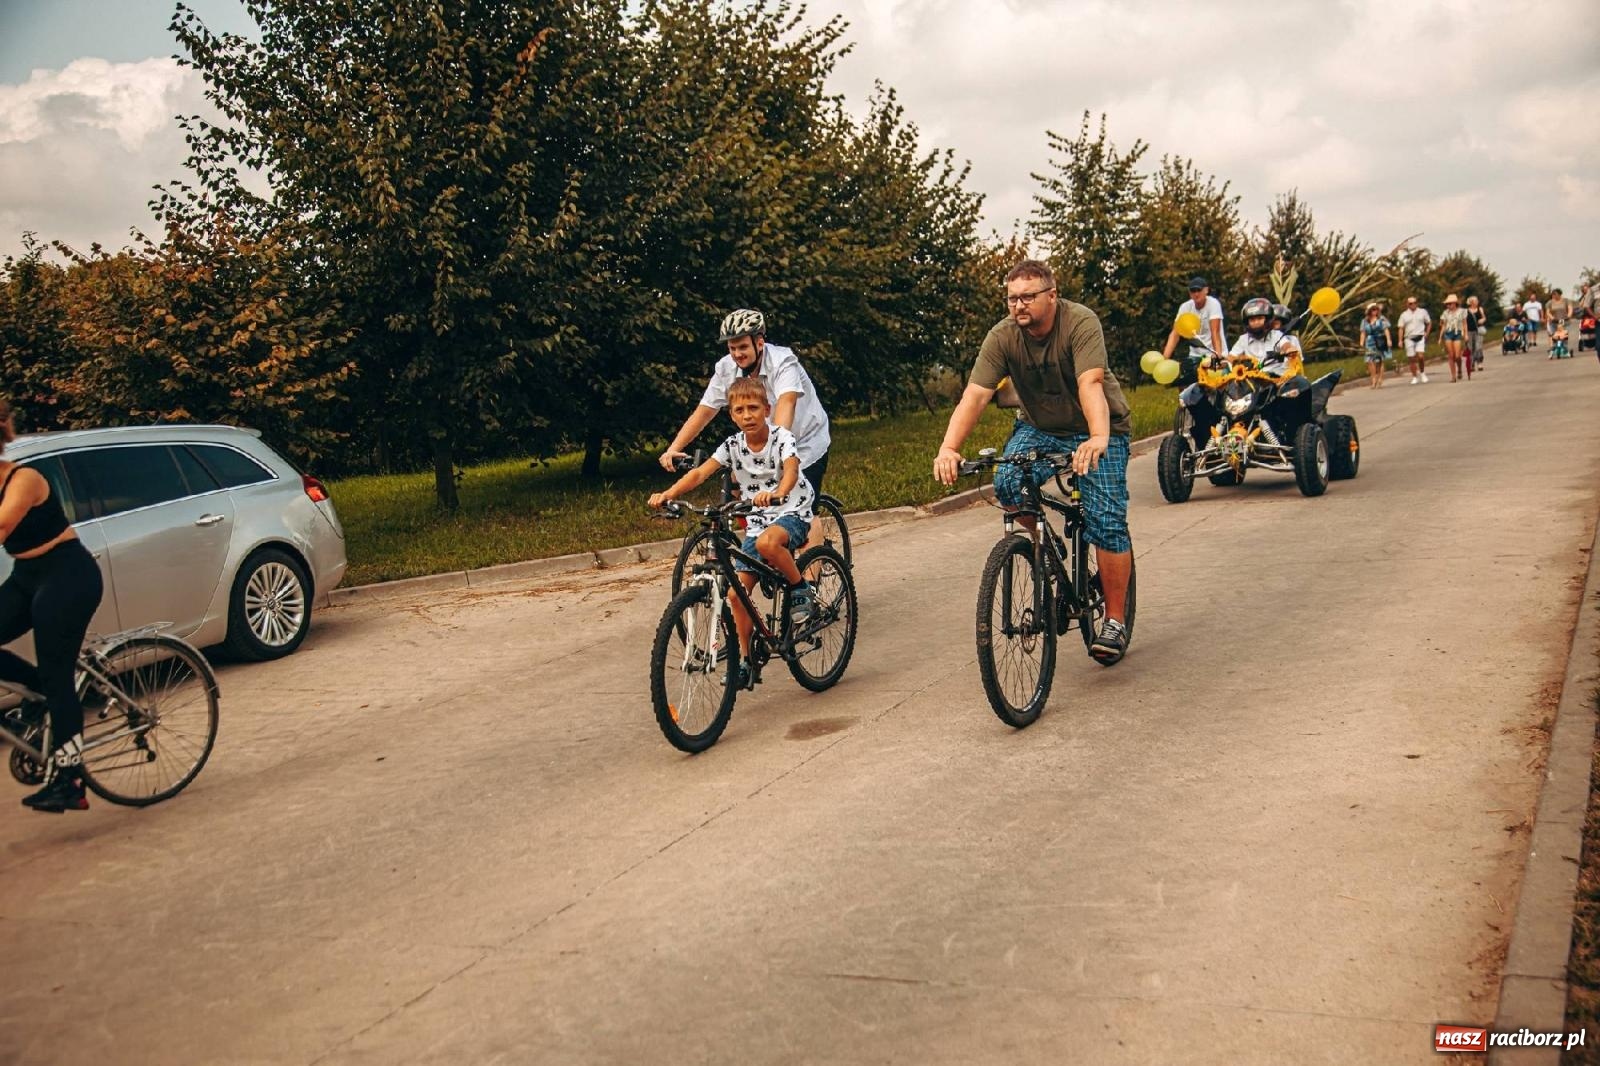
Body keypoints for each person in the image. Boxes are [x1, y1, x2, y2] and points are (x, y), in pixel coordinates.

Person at [932, 260, 1134, 665]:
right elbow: (974, 396)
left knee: (1106, 520)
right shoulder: (1003, 337)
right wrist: (949, 448)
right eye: (1012, 299)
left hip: (1097, 425)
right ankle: (1047, 544)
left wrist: (1097, 438)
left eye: (1028, 297)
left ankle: (1114, 620)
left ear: (1051, 295)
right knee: (1007, 481)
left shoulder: (1080, 323)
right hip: (1040, 427)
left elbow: (1089, 383)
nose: (1019, 306)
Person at [650, 377, 816, 686]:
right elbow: (701, 472)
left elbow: (791, 470)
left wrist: (779, 492)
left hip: (790, 510)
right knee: (736, 594)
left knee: (769, 544)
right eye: (740, 410)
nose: (747, 415)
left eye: (754, 408)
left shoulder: (781, 438)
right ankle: (746, 660)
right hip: (757, 520)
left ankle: (799, 588)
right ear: (732, 415)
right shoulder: (732, 445)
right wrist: (668, 494)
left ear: (767, 409)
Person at [0, 398, 105, 813]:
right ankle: (43, 694)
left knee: (57, 672)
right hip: (26, 578)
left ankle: (71, 781)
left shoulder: (24, 479)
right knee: (49, 682)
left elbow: (3, 524)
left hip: (68, 576)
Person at [661, 309, 831, 552]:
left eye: (742, 347)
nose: (737, 354)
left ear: (759, 342)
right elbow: (705, 410)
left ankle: (810, 585)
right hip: (760, 443)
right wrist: (674, 449)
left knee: (801, 508)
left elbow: (786, 403)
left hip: (805, 441)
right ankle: (762, 544)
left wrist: (775, 452)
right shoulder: (726, 368)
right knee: (737, 489)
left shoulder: (783, 362)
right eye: (732, 348)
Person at [1159, 275, 1227, 365]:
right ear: (1189, 293)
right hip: (1195, 356)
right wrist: (1164, 360)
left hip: (1214, 353)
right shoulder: (1185, 307)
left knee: (1217, 375)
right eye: (1193, 291)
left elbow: (1215, 332)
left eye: (1199, 290)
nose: (1196, 294)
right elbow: (1175, 334)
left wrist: (1218, 356)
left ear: (1206, 290)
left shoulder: (1213, 304)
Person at [1222, 297, 1302, 370]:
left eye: (1260, 318)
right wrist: (1221, 361)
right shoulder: (1243, 339)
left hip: (1278, 378)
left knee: (1300, 382)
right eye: (1252, 320)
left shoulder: (1276, 335)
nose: (1256, 322)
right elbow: (1231, 356)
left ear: (1268, 319)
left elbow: (1285, 345)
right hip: (1253, 378)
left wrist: (1289, 349)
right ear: (1247, 323)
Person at [1358, 302, 1393, 388]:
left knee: (1379, 360)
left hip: (1380, 340)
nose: (1375, 311)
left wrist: (1388, 340)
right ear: (1369, 311)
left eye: (1376, 309)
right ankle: (1373, 378)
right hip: (1370, 341)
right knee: (1369, 360)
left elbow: (1386, 330)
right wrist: (1361, 342)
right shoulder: (1365, 321)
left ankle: (1380, 378)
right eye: (1373, 309)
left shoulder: (1381, 319)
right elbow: (1363, 332)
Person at [1397, 296, 1432, 383]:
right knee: (1411, 358)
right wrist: (1400, 340)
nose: (1413, 305)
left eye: (1414, 303)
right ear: (1407, 304)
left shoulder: (1422, 312)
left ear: (1417, 303)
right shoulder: (1404, 315)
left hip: (1420, 336)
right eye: (1411, 303)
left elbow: (1429, 322)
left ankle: (1422, 372)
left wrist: (1427, 333)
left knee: (1420, 356)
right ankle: (1414, 376)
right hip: (1409, 338)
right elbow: (1401, 328)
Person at [1437, 294, 1470, 382]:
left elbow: (1464, 324)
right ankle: (1453, 376)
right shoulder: (1445, 313)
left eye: (1450, 304)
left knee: (1457, 356)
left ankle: (1459, 368)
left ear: (1455, 303)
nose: (1448, 305)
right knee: (1451, 355)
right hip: (1448, 333)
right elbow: (1443, 325)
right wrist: (1440, 337)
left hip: (1457, 333)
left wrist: (1466, 334)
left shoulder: (1462, 311)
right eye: (1447, 304)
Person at [1546, 289, 1572, 356]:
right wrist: (1552, 318)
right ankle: (1554, 348)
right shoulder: (1550, 302)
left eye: (1555, 294)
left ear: (1560, 294)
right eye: (1553, 294)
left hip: (1565, 321)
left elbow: (1570, 309)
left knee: (1564, 336)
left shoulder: (1566, 301)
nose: (1554, 295)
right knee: (1555, 336)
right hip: (1554, 322)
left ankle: (1565, 349)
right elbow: (1548, 312)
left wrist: (1568, 316)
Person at [1465, 296, 1487, 369]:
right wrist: (1464, 333)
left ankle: (1479, 363)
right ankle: (1472, 363)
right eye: (1476, 301)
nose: (1477, 302)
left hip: (1478, 330)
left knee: (1478, 347)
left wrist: (1482, 320)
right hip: (1469, 331)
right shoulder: (1466, 311)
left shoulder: (1480, 309)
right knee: (1471, 348)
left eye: (1477, 300)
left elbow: (1484, 317)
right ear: (1471, 302)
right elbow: (1464, 322)